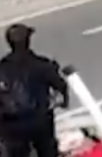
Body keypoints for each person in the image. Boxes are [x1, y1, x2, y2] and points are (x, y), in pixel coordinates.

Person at [0, 24, 68, 157]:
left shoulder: (2, 67)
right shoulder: (41, 64)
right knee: (48, 150)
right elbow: (60, 86)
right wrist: (63, 101)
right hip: (39, 120)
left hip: (11, 124)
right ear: (28, 41)